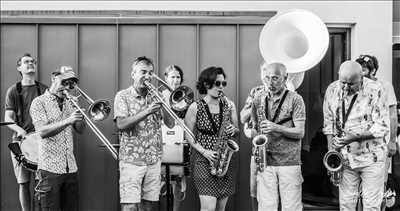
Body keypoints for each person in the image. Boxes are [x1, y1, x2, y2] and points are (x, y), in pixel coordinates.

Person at [323, 60, 390, 210]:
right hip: (345, 158)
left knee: (371, 205)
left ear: (362, 77)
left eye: (351, 84)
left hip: (372, 157)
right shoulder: (332, 89)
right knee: (346, 204)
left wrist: (354, 137)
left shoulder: (376, 89)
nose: (346, 87)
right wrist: (331, 152)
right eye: (343, 82)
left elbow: (382, 126)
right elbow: (328, 124)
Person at [114, 56, 172, 211]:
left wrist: (166, 104)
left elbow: (171, 124)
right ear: (133, 74)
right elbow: (121, 124)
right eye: (143, 72)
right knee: (130, 206)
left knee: (149, 206)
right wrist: (147, 111)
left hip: (153, 160)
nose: (147, 76)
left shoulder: (156, 96)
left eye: (150, 73)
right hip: (131, 160)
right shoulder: (123, 96)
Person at [249, 62, 306, 211]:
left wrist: (276, 127)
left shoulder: (295, 99)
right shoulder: (258, 98)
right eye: (267, 78)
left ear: (285, 77)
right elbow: (254, 128)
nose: (270, 82)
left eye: (275, 78)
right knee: (266, 207)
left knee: (291, 207)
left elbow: (300, 132)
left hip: (289, 162)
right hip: (265, 161)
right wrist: (257, 139)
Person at [30, 66, 85, 211]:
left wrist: (78, 113)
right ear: (54, 79)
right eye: (64, 82)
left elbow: (80, 130)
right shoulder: (39, 102)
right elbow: (42, 131)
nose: (67, 87)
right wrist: (68, 120)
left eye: (70, 84)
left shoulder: (71, 102)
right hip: (49, 169)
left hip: (71, 168)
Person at [184, 66, 239, 211]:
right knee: (208, 209)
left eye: (223, 84)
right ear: (206, 84)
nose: (221, 87)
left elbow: (237, 130)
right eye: (217, 83)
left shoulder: (229, 105)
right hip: (203, 160)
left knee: (220, 209)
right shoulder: (195, 107)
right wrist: (203, 152)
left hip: (224, 161)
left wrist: (234, 129)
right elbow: (188, 135)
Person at [4, 53, 47, 211]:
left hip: (42, 143)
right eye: (26, 62)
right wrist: (19, 130)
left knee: (42, 183)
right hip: (21, 143)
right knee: (23, 183)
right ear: (19, 68)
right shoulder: (13, 91)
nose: (30, 64)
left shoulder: (44, 89)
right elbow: (7, 117)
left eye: (33, 62)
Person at [160, 65, 188, 211]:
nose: (176, 80)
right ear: (166, 78)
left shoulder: (184, 96)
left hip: (179, 142)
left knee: (178, 181)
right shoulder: (159, 94)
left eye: (178, 77)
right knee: (161, 181)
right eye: (172, 76)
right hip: (163, 142)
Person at [239, 66, 264, 211]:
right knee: (254, 190)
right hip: (258, 149)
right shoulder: (255, 91)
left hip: (279, 151)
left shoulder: (288, 91)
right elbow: (243, 117)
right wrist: (255, 102)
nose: (267, 79)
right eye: (264, 75)